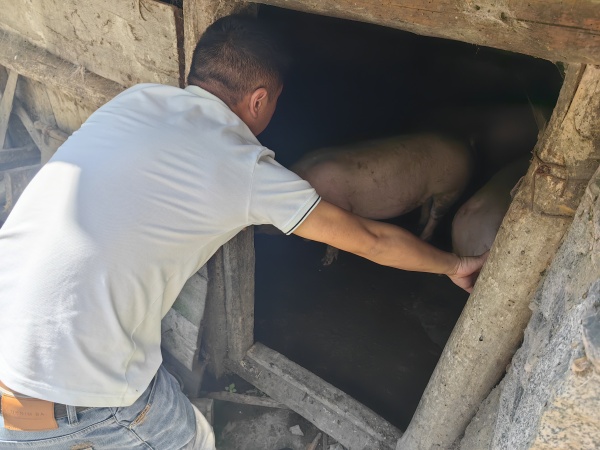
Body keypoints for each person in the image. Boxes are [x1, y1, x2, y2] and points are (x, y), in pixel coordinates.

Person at [0, 14, 486, 449]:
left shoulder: (137, 99)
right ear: (259, 99)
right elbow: (373, 240)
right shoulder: (245, 168)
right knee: (192, 441)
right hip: (74, 397)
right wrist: (455, 263)